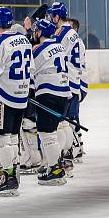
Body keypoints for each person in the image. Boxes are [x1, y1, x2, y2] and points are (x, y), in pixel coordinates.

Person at [0, 6, 31, 196]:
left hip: (3, 95)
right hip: (21, 96)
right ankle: (13, 173)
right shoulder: (24, 40)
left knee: (1, 137)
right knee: (12, 136)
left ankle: (8, 177)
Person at [30, 18, 72, 186]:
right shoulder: (60, 46)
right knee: (54, 131)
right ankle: (55, 163)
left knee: (46, 134)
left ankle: (55, 169)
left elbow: (29, 68)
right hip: (63, 93)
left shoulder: (38, 49)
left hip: (48, 93)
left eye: (35, 31)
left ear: (40, 32)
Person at [48, 2, 87, 163]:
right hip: (76, 81)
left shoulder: (60, 34)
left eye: (51, 15)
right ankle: (74, 150)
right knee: (70, 120)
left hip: (65, 82)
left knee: (62, 123)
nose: (50, 18)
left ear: (57, 17)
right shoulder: (72, 33)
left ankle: (68, 152)